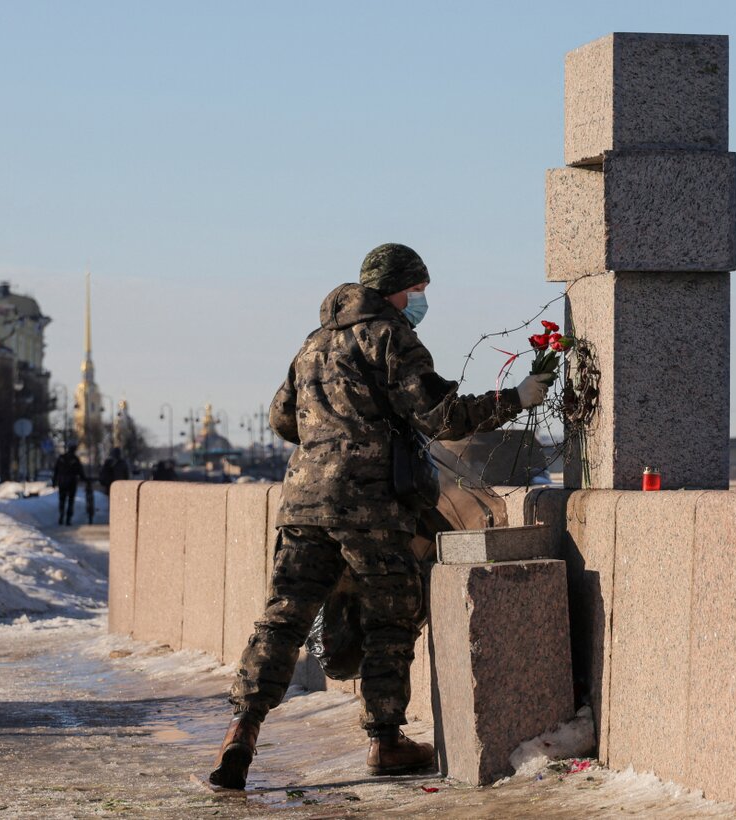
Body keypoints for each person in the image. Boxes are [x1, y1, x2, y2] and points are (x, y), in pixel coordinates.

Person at [208, 243, 553, 789]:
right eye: (418, 291)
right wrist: (516, 397)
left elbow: (281, 418)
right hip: (371, 506)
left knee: (283, 619)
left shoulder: (313, 344)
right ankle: (385, 741)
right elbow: (441, 417)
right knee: (389, 620)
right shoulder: (391, 336)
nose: (420, 301)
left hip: (302, 504)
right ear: (397, 288)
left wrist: (328, 434)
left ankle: (240, 732)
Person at [52, 445, 86, 526]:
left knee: (62, 500)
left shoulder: (61, 458)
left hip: (62, 481)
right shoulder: (75, 459)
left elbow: (56, 471)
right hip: (72, 482)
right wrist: (84, 479)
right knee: (71, 501)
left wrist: (54, 481)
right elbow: (80, 471)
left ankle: (61, 515)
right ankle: (68, 518)